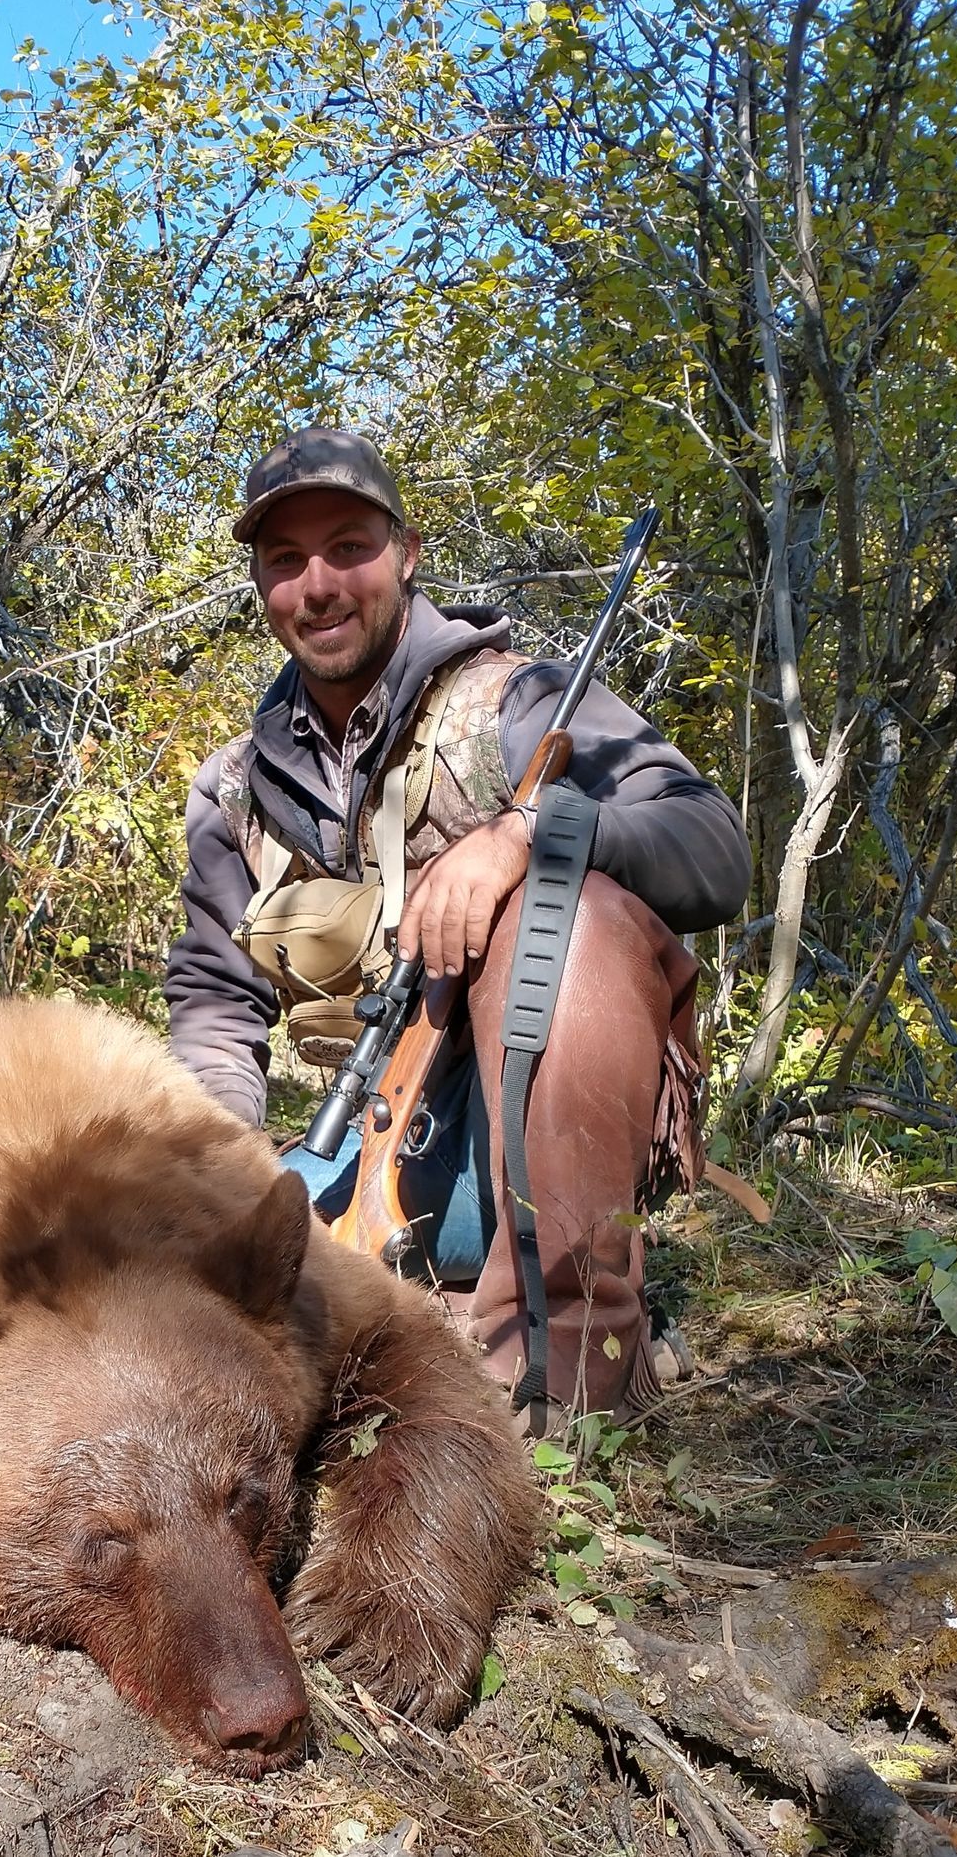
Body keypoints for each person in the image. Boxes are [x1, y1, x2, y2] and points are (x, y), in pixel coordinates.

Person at [165, 426, 750, 1425]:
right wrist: (220, 1175)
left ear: (407, 553)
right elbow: (216, 1005)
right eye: (284, 561)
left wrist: (530, 831)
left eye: (349, 546)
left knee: (575, 904)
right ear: (260, 584)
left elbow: (714, 849)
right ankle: (419, 1319)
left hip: (534, 1147)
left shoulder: (518, 704)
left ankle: (571, 1369)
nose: (319, 585)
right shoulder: (233, 792)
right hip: (359, 1146)